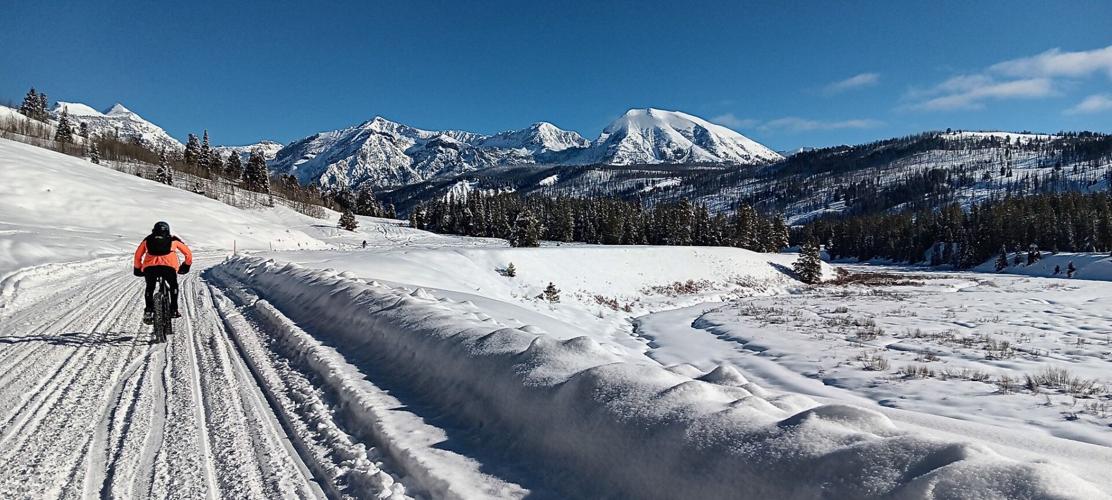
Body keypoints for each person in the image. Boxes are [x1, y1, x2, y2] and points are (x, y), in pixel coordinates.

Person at [133, 221, 193, 323]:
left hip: (150, 268)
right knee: (173, 285)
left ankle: (148, 310)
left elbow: (138, 255)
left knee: (150, 287)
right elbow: (188, 253)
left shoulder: (148, 239)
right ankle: (174, 309)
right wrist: (186, 266)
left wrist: (137, 268)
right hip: (169, 267)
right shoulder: (173, 239)